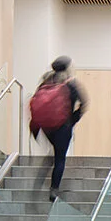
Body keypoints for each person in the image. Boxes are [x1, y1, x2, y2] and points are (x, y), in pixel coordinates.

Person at [29, 57, 87, 201]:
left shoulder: (46, 81)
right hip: (63, 126)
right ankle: (53, 189)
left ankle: (40, 180)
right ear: (68, 68)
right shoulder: (71, 83)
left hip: (47, 127)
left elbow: (37, 101)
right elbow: (84, 103)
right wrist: (73, 119)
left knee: (55, 153)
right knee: (60, 158)